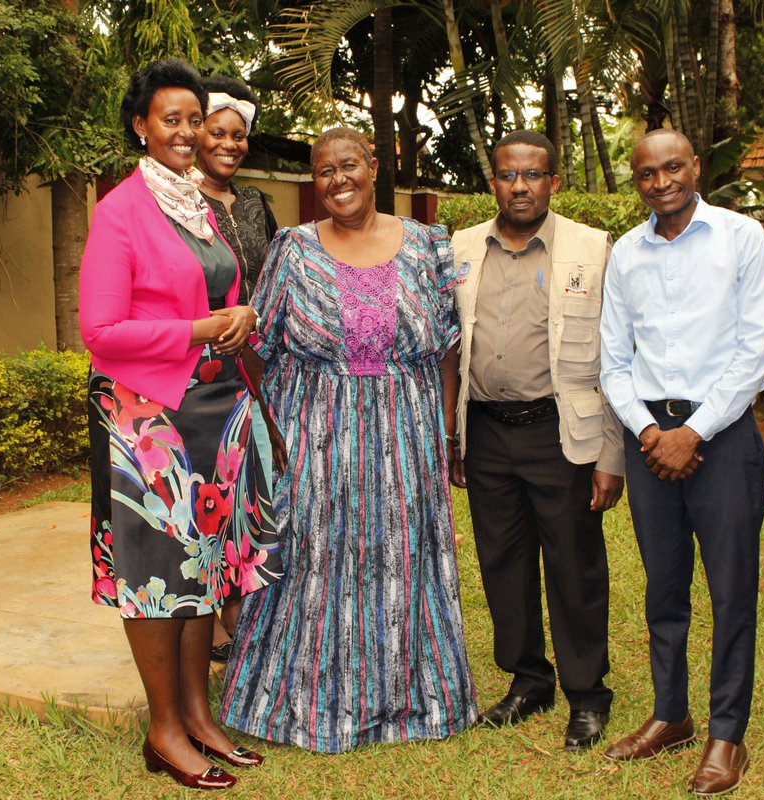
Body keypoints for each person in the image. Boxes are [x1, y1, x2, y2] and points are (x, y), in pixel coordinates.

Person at [219, 126, 478, 753]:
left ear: (373, 166)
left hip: (407, 434)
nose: (338, 180)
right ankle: (301, 706)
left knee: (403, 558)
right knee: (314, 559)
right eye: (324, 170)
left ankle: (413, 701)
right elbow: (260, 348)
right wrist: (273, 433)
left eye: (349, 165)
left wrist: (444, 433)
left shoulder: (427, 245)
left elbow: (447, 347)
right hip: (316, 434)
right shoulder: (293, 250)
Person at [78, 58, 282, 792]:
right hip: (145, 418)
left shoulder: (197, 207)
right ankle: (162, 730)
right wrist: (199, 328)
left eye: (195, 119)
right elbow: (100, 330)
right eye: (173, 119)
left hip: (214, 410)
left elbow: (226, 286)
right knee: (158, 578)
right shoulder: (121, 211)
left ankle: (198, 715)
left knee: (206, 566)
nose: (188, 132)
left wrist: (242, 315)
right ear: (141, 125)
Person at [598, 128, 764, 797]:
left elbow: (753, 353)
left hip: (721, 436)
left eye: (674, 167)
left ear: (695, 167)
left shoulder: (739, 237)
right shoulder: (627, 253)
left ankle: (727, 735)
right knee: (663, 588)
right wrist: (650, 430)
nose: (662, 181)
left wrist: (691, 432)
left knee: (731, 592)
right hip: (649, 440)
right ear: (635, 180)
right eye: (647, 173)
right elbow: (613, 359)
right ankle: (670, 714)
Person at [448, 130, 624, 751]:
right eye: (506, 174)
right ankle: (528, 679)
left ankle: (586, 692)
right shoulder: (460, 248)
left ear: (554, 181)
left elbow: (615, 356)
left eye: (532, 174)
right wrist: (453, 438)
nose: (519, 186)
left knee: (574, 565)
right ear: (492, 180)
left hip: (562, 435)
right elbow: (448, 348)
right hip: (487, 433)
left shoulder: (593, 248)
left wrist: (611, 454)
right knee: (503, 563)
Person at [195, 74, 279, 664]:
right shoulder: (177, 200)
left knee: (252, 485)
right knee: (208, 489)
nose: (230, 144)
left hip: (259, 358)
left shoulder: (254, 204)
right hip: (202, 364)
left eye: (239, 135)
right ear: (196, 133)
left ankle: (238, 609)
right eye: (218, 132)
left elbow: (273, 277)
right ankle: (209, 617)